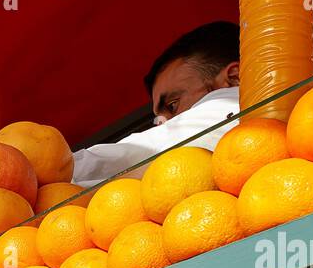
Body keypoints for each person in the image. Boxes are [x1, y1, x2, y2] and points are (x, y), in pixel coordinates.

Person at [71, 22, 241, 186]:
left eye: (173, 105)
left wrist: (60, 168)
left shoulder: (231, 102)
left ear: (235, 78)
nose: (162, 124)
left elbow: (141, 151)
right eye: (160, 118)